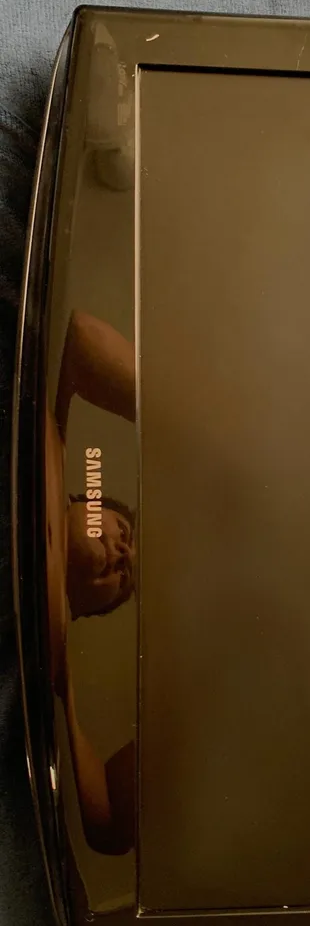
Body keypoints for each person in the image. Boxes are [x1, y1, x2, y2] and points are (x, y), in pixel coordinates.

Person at [47, 309, 137, 854]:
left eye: (124, 579)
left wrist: (64, 689)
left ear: (83, 611)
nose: (123, 554)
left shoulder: (47, 659)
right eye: (123, 532)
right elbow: (79, 337)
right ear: (85, 500)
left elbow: (107, 823)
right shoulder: (49, 449)